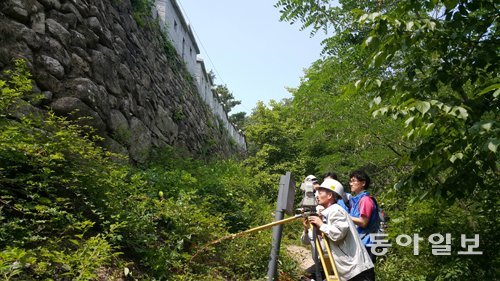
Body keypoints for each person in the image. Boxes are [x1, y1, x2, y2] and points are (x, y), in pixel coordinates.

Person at [305, 178, 375, 281]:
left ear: (330, 196)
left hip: (357, 270)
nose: (317, 196)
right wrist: (314, 229)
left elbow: (338, 234)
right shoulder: (329, 212)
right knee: (309, 274)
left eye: (320, 192)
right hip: (351, 269)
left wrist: (321, 225)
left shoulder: (335, 210)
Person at [348, 170, 378, 263]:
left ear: (363, 183)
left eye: (354, 181)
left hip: (368, 243)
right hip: (360, 242)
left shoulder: (365, 200)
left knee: (366, 274)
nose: (351, 184)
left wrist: (346, 216)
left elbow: (363, 222)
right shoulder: (356, 200)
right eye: (350, 181)